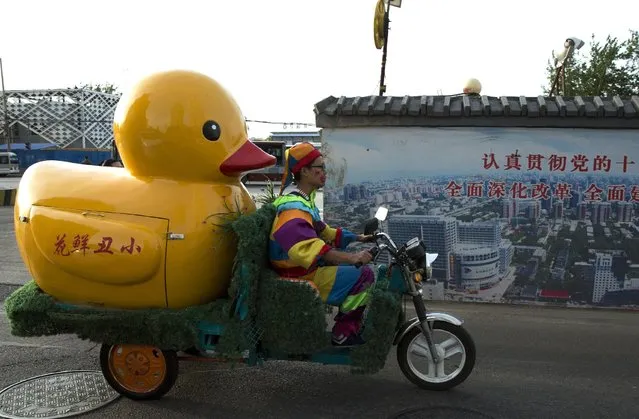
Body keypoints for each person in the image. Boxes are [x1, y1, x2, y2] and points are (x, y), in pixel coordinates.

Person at [269, 142, 375, 346]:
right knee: (365, 275)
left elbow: (325, 232)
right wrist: (353, 257)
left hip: (304, 268)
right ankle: (343, 333)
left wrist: (359, 238)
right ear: (305, 171)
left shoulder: (302, 200)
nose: (324, 172)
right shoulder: (294, 208)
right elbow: (311, 248)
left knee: (356, 269)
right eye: (320, 167)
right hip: (299, 274)